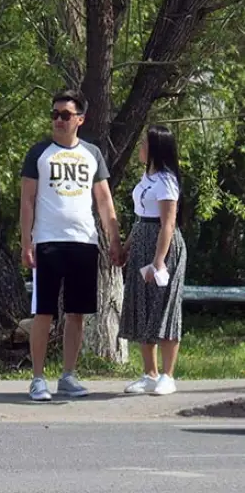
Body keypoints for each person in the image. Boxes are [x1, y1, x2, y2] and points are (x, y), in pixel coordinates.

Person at [20, 90, 122, 402]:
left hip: (83, 242)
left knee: (76, 313)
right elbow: (27, 200)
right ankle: (38, 379)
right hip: (48, 242)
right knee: (44, 312)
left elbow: (104, 200)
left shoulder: (92, 153)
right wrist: (26, 241)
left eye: (65, 115)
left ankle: (68, 375)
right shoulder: (39, 153)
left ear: (80, 119)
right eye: (54, 114)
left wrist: (114, 240)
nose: (59, 120)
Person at [119, 124, 186, 396]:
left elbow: (167, 224)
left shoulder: (166, 181)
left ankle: (168, 375)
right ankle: (149, 373)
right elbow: (141, 217)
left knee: (165, 307)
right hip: (142, 240)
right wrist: (126, 247)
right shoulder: (146, 178)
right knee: (142, 306)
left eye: (144, 143)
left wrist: (159, 260)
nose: (140, 148)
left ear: (156, 148)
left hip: (163, 246)